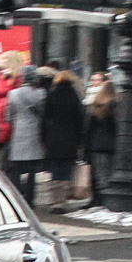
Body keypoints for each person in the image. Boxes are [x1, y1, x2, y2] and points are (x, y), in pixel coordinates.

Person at [41, 69, 85, 212]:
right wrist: (80, 140)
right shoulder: (74, 97)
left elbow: (44, 118)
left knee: (54, 171)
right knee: (66, 171)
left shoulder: (51, 95)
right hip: (69, 138)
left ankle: (55, 201)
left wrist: (43, 137)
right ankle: (62, 202)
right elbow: (79, 120)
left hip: (53, 138)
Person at [5, 64, 46, 206]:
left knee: (16, 169)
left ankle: (17, 197)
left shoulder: (13, 94)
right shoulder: (41, 94)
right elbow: (43, 114)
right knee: (32, 170)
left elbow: (8, 117)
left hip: (18, 133)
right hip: (34, 133)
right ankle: (30, 198)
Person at [83, 77, 117, 207]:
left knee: (98, 172)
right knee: (110, 171)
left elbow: (88, 127)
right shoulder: (117, 107)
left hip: (97, 144)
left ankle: (99, 198)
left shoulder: (96, 106)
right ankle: (108, 198)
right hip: (112, 144)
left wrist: (86, 145)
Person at [0, 52, 23, 162]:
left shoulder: (16, 77)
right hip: (0, 118)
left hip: (8, 118)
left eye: (4, 59)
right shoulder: (2, 75)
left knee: (5, 153)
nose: (2, 62)